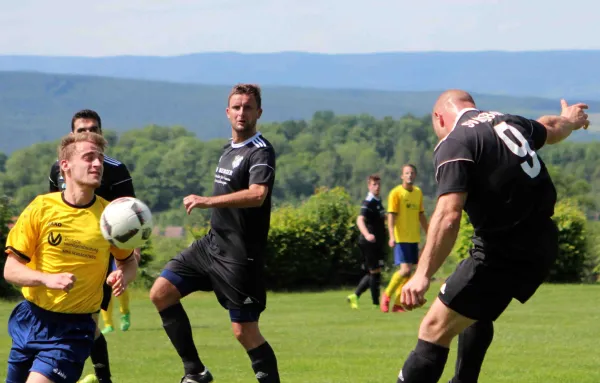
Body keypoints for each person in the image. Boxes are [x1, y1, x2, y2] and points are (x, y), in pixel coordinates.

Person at [395, 90, 590, 383]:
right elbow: (549, 128)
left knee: (433, 329)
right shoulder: (507, 121)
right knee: (474, 310)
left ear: (439, 117)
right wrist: (569, 121)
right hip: (541, 242)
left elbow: (449, 215)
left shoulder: (455, 142)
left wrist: (422, 274)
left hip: (501, 251)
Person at [149, 84, 280, 383]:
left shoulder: (260, 150)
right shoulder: (227, 149)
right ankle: (195, 372)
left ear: (259, 112)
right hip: (210, 246)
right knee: (161, 293)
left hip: (239, 255)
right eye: (236, 107)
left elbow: (258, 194)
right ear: (227, 112)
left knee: (244, 332)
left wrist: (208, 201)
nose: (242, 113)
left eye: (248, 107)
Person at [3, 132, 138, 383]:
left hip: (74, 330)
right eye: (89, 158)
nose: (97, 164)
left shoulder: (111, 216)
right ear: (65, 165)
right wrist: (45, 279)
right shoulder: (41, 207)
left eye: (99, 159)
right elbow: (11, 270)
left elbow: (129, 262)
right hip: (31, 320)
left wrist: (123, 274)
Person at [48, 109, 138, 383]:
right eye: (81, 130)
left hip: (100, 255)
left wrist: (130, 260)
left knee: (88, 321)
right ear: (71, 135)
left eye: (93, 129)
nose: (88, 135)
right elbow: (53, 210)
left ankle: (97, 376)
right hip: (63, 254)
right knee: (70, 321)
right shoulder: (58, 167)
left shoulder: (116, 169)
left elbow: (130, 218)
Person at [380, 164, 428, 313]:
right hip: (401, 238)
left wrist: (429, 232)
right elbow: (391, 216)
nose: (409, 175)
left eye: (412, 173)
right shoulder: (396, 193)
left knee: (409, 272)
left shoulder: (418, 193)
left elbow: (420, 214)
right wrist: (391, 236)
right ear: (402, 176)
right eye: (406, 173)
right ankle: (387, 295)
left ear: (415, 175)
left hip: (414, 238)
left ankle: (398, 304)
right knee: (405, 270)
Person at [347, 174, 386, 309]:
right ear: (369, 186)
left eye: (379, 184)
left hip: (377, 242)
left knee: (375, 272)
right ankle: (375, 304)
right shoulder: (368, 201)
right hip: (368, 242)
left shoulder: (378, 200)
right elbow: (360, 219)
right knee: (374, 272)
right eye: (374, 184)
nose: (377, 187)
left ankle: (356, 296)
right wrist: (367, 234)